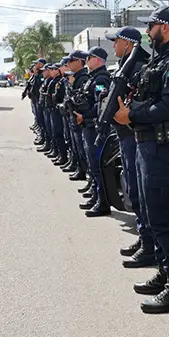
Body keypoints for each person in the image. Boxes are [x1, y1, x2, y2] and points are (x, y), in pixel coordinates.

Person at [114, 6, 169, 313]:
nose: (148, 33)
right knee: (152, 213)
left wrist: (131, 115)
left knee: (163, 217)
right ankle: (165, 274)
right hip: (147, 145)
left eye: (151, 27)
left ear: (166, 27)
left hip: (163, 149)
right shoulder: (159, 61)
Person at [107, 27, 155, 261]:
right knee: (134, 190)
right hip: (126, 134)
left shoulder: (138, 66)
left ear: (127, 43)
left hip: (134, 134)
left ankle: (149, 244)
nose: (113, 46)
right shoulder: (127, 64)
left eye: (116, 41)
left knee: (139, 192)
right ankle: (144, 237)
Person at [78, 47, 113, 216]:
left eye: (89, 58)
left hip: (94, 127)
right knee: (92, 163)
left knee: (97, 164)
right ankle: (96, 195)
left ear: (97, 60)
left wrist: (84, 116)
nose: (86, 61)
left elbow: (100, 105)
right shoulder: (93, 78)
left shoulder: (101, 79)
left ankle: (103, 201)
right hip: (88, 125)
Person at [64, 50, 90, 183]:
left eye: (71, 61)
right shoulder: (77, 77)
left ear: (80, 61)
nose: (68, 64)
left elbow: (85, 101)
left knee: (85, 152)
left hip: (82, 119)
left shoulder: (83, 78)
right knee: (78, 148)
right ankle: (81, 170)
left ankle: (87, 176)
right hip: (74, 117)